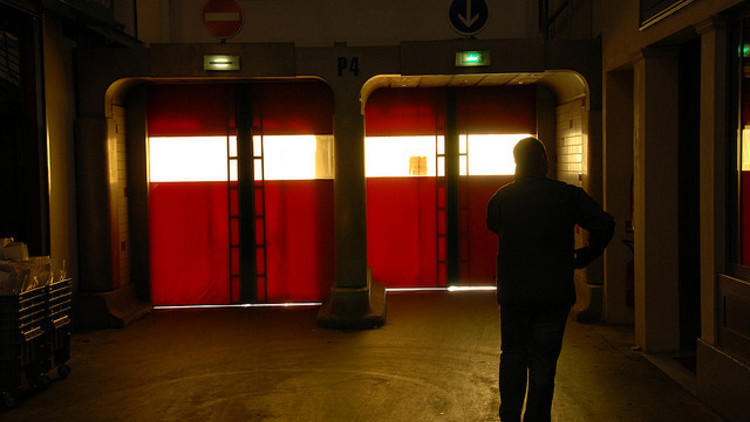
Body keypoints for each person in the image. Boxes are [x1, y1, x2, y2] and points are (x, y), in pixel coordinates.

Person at [486, 137, 614, 422]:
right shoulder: (567, 195)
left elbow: (493, 224)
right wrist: (588, 254)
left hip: (514, 293)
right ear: (544, 160)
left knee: (513, 355)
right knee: (543, 361)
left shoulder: (501, 198)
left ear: (516, 162)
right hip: (553, 293)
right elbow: (605, 223)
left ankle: (509, 417)